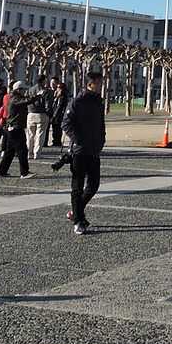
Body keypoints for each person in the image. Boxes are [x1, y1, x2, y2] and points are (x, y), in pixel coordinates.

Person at [63, 70, 106, 235]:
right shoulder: (78, 101)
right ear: (90, 85)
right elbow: (66, 123)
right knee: (77, 187)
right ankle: (78, 220)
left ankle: (76, 210)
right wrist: (78, 139)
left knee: (94, 185)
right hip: (79, 151)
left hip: (94, 150)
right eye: (99, 83)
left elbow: (101, 123)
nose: (101, 86)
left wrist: (101, 139)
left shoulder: (98, 102)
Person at [0, 81, 34, 179]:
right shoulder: (15, 98)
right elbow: (26, 101)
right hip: (15, 127)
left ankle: (2, 171)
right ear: (19, 90)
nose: (25, 91)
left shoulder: (12, 97)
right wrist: (37, 97)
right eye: (24, 89)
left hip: (12, 127)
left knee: (10, 151)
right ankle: (24, 172)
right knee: (22, 150)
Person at [27, 79, 51, 159]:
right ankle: (37, 152)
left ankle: (29, 152)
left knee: (30, 134)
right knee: (40, 134)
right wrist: (48, 112)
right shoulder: (45, 91)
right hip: (41, 113)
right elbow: (48, 102)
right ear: (43, 81)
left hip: (31, 113)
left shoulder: (30, 90)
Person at [47, 78, 68, 148]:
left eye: (58, 87)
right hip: (57, 114)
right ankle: (56, 141)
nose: (56, 88)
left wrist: (54, 115)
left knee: (57, 129)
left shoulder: (61, 96)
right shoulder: (58, 95)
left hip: (58, 115)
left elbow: (59, 106)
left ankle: (56, 141)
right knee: (55, 129)